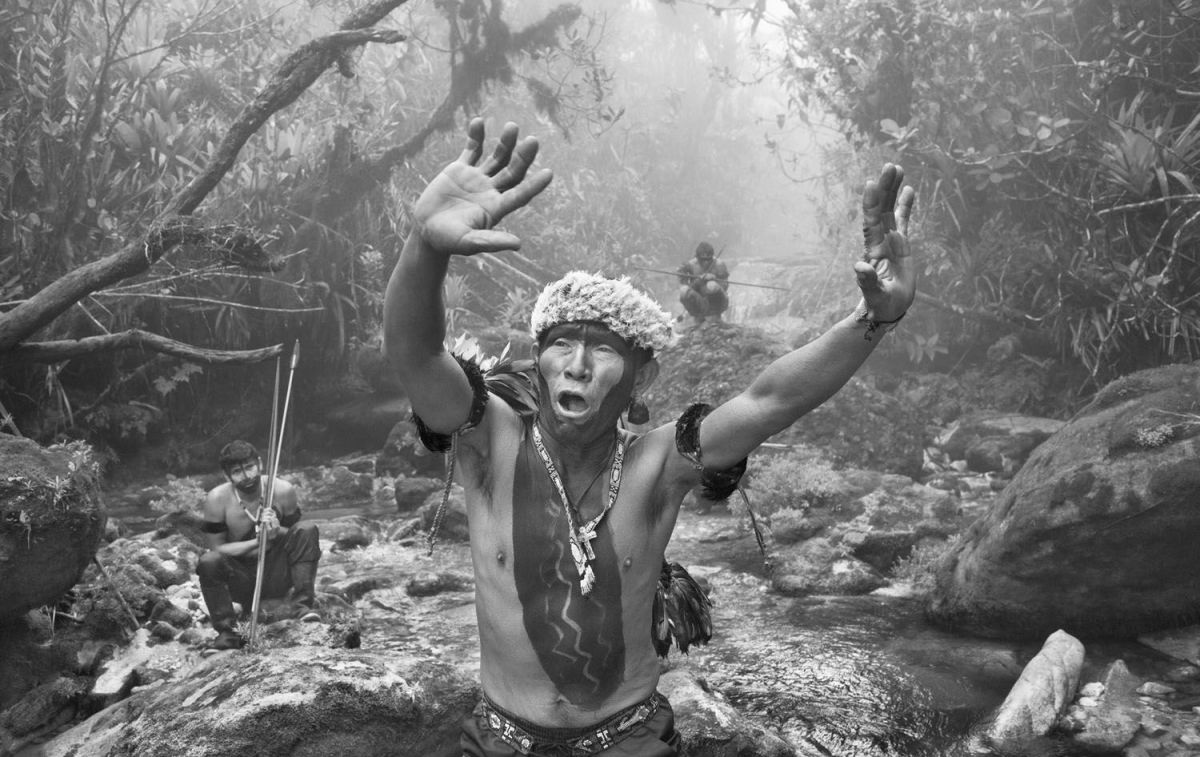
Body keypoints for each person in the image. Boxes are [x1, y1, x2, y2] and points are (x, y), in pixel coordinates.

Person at [383, 119, 915, 757]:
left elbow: (770, 399)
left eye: (602, 350)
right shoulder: (487, 442)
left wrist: (876, 319)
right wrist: (424, 245)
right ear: (539, 357)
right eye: (560, 345)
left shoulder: (659, 463)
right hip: (502, 738)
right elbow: (416, 354)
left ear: (644, 374)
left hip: (627, 739)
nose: (576, 366)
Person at [197, 440, 321, 649]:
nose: (247, 476)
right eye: (237, 472)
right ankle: (228, 632)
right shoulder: (217, 500)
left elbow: (296, 537)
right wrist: (257, 541)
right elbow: (217, 550)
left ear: (260, 464)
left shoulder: (282, 490)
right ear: (227, 476)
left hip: (278, 574)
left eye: (249, 467)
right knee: (208, 561)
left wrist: (275, 532)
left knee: (308, 529)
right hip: (242, 580)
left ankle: (302, 608)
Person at [676, 241, 730, 323]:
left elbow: (725, 286)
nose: (706, 262)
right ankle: (698, 317)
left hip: (717, 303)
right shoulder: (690, 265)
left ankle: (715, 317)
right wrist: (698, 282)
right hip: (699, 301)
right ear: (697, 257)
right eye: (703, 260)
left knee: (711, 286)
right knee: (683, 290)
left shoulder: (719, 265)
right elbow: (684, 284)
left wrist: (714, 278)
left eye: (709, 259)